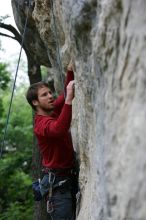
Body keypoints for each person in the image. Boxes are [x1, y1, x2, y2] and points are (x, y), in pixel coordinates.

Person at [26, 61, 78, 220]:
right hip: (58, 190)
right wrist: (69, 100)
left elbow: (65, 94)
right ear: (35, 103)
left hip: (68, 179)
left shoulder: (51, 110)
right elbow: (57, 129)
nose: (50, 96)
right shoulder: (40, 124)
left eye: (50, 93)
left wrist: (70, 71)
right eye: (44, 95)